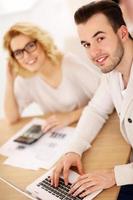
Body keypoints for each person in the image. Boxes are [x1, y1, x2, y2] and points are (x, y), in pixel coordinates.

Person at [51, 1, 133, 199]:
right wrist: (73, 149)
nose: (94, 53)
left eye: (100, 38)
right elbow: (97, 109)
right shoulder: (112, 71)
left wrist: (116, 175)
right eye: (86, 44)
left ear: (122, 33)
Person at [3, 22, 100, 133]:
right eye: (18, 52)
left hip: (92, 125)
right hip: (64, 133)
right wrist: (10, 81)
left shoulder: (69, 63)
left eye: (30, 46)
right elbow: (11, 118)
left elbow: (108, 95)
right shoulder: (26, 78)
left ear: (42, 43)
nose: (26, 56)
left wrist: (71, 116)